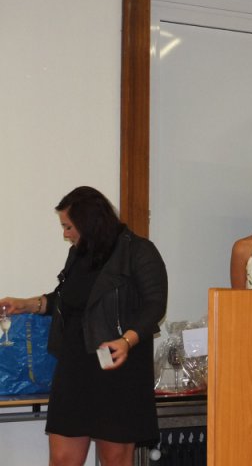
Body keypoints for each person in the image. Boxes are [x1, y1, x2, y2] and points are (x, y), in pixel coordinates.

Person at [0, 186, 168, 466]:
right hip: (75, 365)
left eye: (68, 226)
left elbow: (155, 305)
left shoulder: (138, 251)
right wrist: (25, 304)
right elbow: (66, 301)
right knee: (62, 459)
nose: (65, 234)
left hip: (116, 365)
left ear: (89, 222)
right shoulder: (78, 254)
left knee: (114, 459)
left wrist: (126, 340)